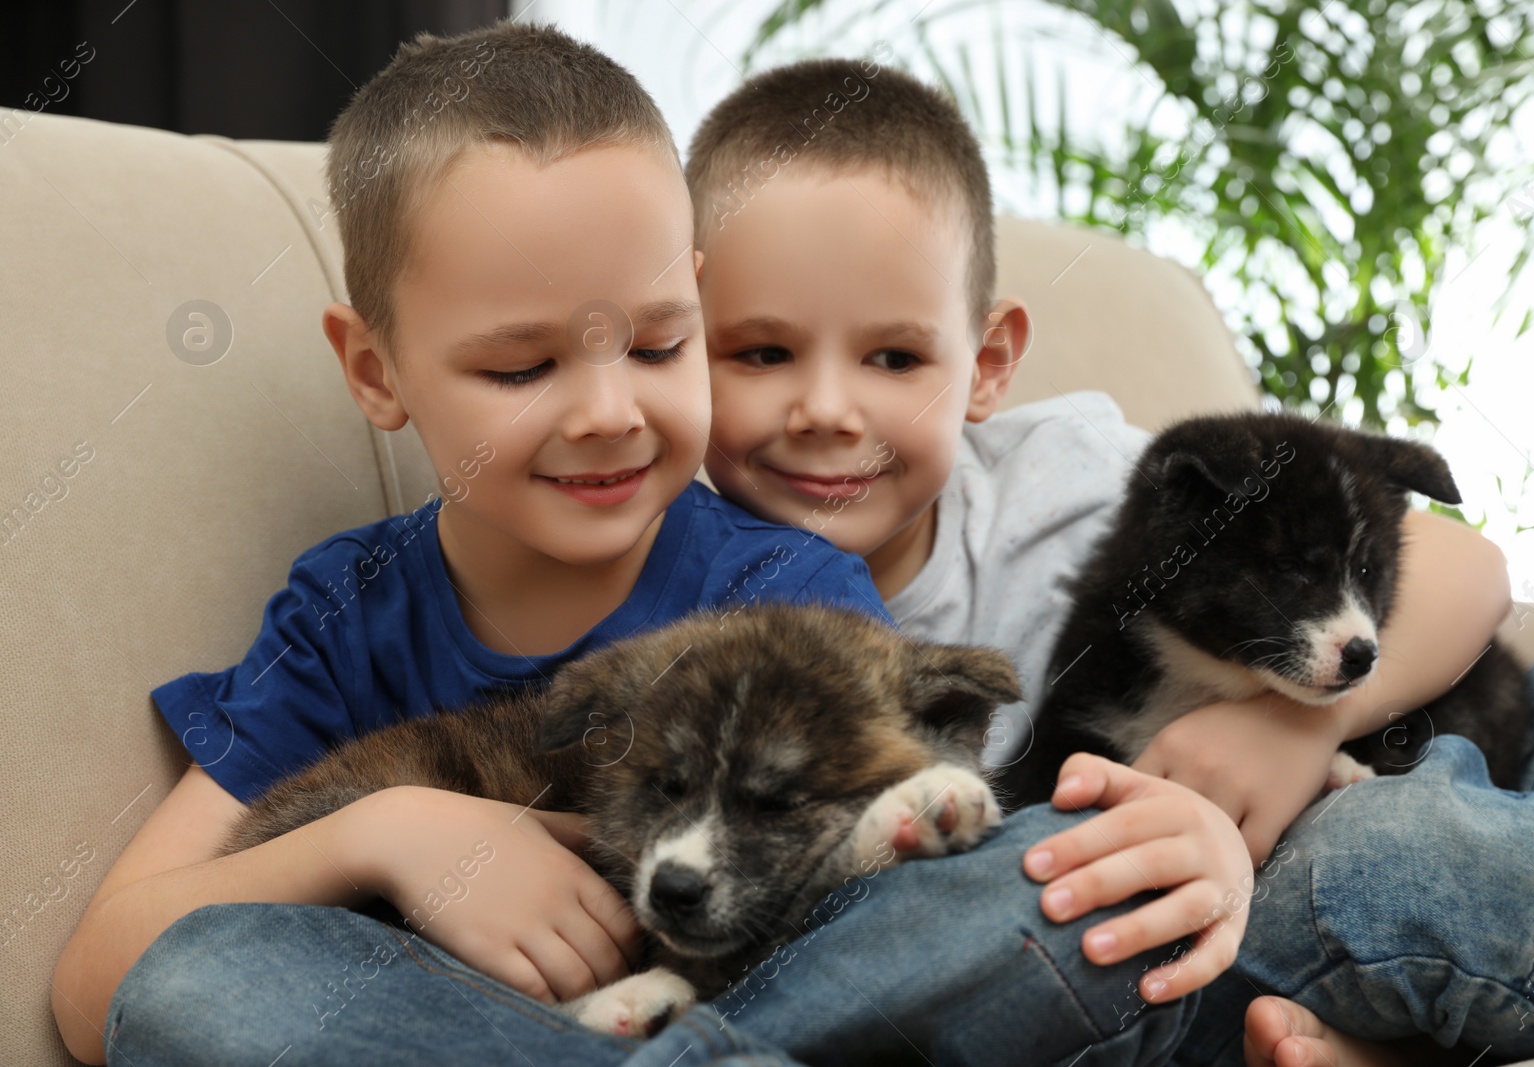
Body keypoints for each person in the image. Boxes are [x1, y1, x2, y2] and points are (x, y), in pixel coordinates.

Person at [51, 20, 1253, 1067]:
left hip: (775, 991)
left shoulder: (783, 585)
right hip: (446, 1015)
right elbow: (102, 980)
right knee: (194, 989)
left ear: (697, 300)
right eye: (524, 365)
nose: (609, 410)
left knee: (1067, 885)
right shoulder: (343, 613)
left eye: (661, 344)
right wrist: (390, 829)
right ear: (377, 369)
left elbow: (887, 898)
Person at [683, 55, 1534, 1065]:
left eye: (893, 357)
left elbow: (1464, 563)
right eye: (761, 353)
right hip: (1229, 895)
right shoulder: (674, 578)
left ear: (986, 364)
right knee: (1392, 853)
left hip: (1468, 737)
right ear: (676, 339)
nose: (825, 409)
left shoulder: (1059, 473)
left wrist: (1296, 723)